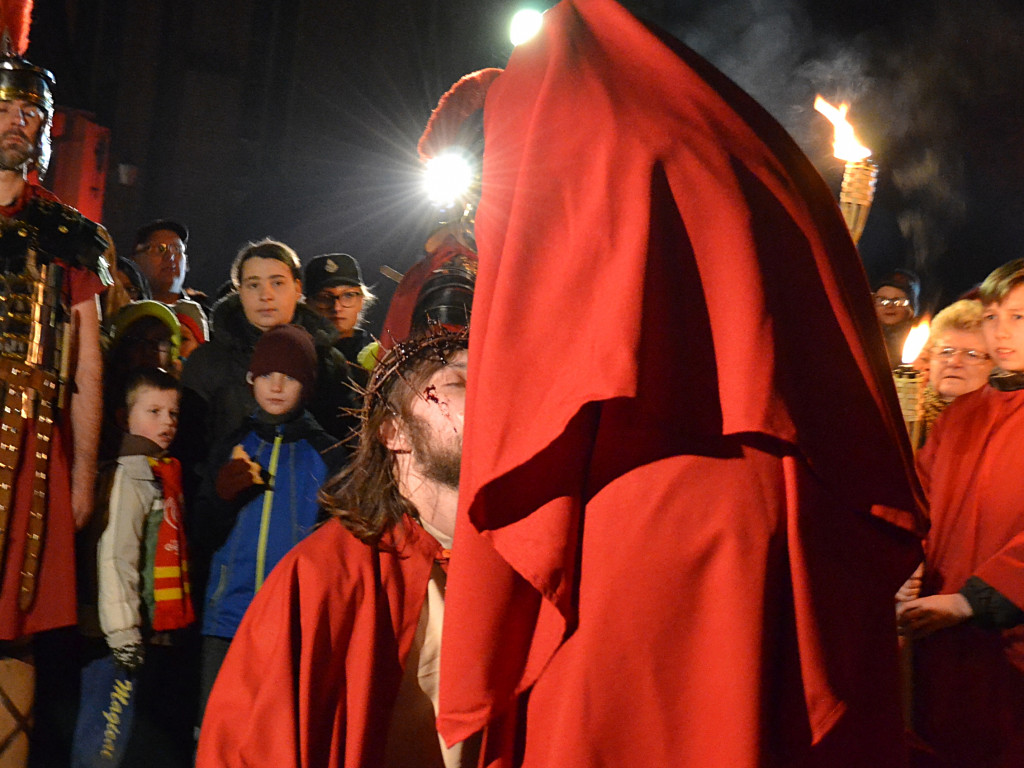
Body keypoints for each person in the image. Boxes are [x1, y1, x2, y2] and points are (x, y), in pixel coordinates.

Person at [425, 2, 926, 767]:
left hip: (635, 528)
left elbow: (520, 439)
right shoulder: (728, 147)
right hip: (780, 511)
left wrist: (477, 662)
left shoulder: (566, 181)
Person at [195, 328, 475, 768]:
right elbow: (249, 747)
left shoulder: (525, 566)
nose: (488, 393)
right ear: (393, 431)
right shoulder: (322, 578)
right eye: (458, 382)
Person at [0, 38, 112, 767]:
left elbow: (88, 362)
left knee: (12, 627)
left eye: (30, 111)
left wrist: (81, 475)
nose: (17, 120)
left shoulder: (70, 236)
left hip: (30, 438)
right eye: (5, 106)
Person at [896, 259, 1024, 767]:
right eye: (993, 317)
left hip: (1005, 648)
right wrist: (901, 557)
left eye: (1018, 317)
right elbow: (920, 499)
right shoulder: (969, 412)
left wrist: (974, 601)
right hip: (942, 638)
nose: (1000, 332)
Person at [192, 325, 341, 730]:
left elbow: (339, 551)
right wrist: (224, 497)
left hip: (293, 626)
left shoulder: (328, 456)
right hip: (227, 620)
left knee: (279, 737)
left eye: (290, 377)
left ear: (306, 385)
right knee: (217, 735)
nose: (276, 385)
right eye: (267, 375)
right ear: (250, 379)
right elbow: (202, 534)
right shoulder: (230, 445)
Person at [73, 368, 194, 767]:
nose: (167, 423)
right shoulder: (130, 477)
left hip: (148, 634)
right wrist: (123, 632)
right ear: (125, 418)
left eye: (173, 413)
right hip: (119, 640)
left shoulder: (160, 474)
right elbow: (115, 556)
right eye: (154, 411)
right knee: (106, 738)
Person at [178, 238, 356, 493]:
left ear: (297, 288)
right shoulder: (207, 362)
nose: (265, 295)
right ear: (239, 292)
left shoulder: (329, 362)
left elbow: (348, 444)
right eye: (253, 285)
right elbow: (189, 451)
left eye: (277, 283)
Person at [914, 299, 993, 447]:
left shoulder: (1004, 425)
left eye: (972, 354)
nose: (954, 362)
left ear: (995, 365)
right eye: (946, 351)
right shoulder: (901, 415)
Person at [303, 253, 375, 365]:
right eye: (325, 297)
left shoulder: (381, 357)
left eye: (348, 295)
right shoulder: (294, 354)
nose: (336, 307)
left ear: (361, 300)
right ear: (308, 304)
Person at [129, 219, 210, 315]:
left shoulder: (207, 318)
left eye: (177, 249)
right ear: (135, 260)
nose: (170, 257)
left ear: (186, 263)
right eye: (160, 249)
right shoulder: (125, 313)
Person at [873, 269, 922, 368]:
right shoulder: (862, 336)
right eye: (882, 300)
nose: (889, 306)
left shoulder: (919, 341)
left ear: (911, 309)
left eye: (898, 301)